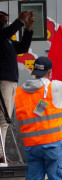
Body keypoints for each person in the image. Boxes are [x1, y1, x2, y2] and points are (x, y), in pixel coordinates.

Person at [0, 10, 34, 164]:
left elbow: (22, 48)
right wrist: (19, 21)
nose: (5, 17)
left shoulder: (6, 38)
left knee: (5, 118)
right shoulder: (2, 35)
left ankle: (1, 153)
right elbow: (7, 31)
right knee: (3, 119)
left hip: (10, 81)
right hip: (3, 81)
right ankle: (0, 154)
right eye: (2, 15)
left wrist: (27, 29)